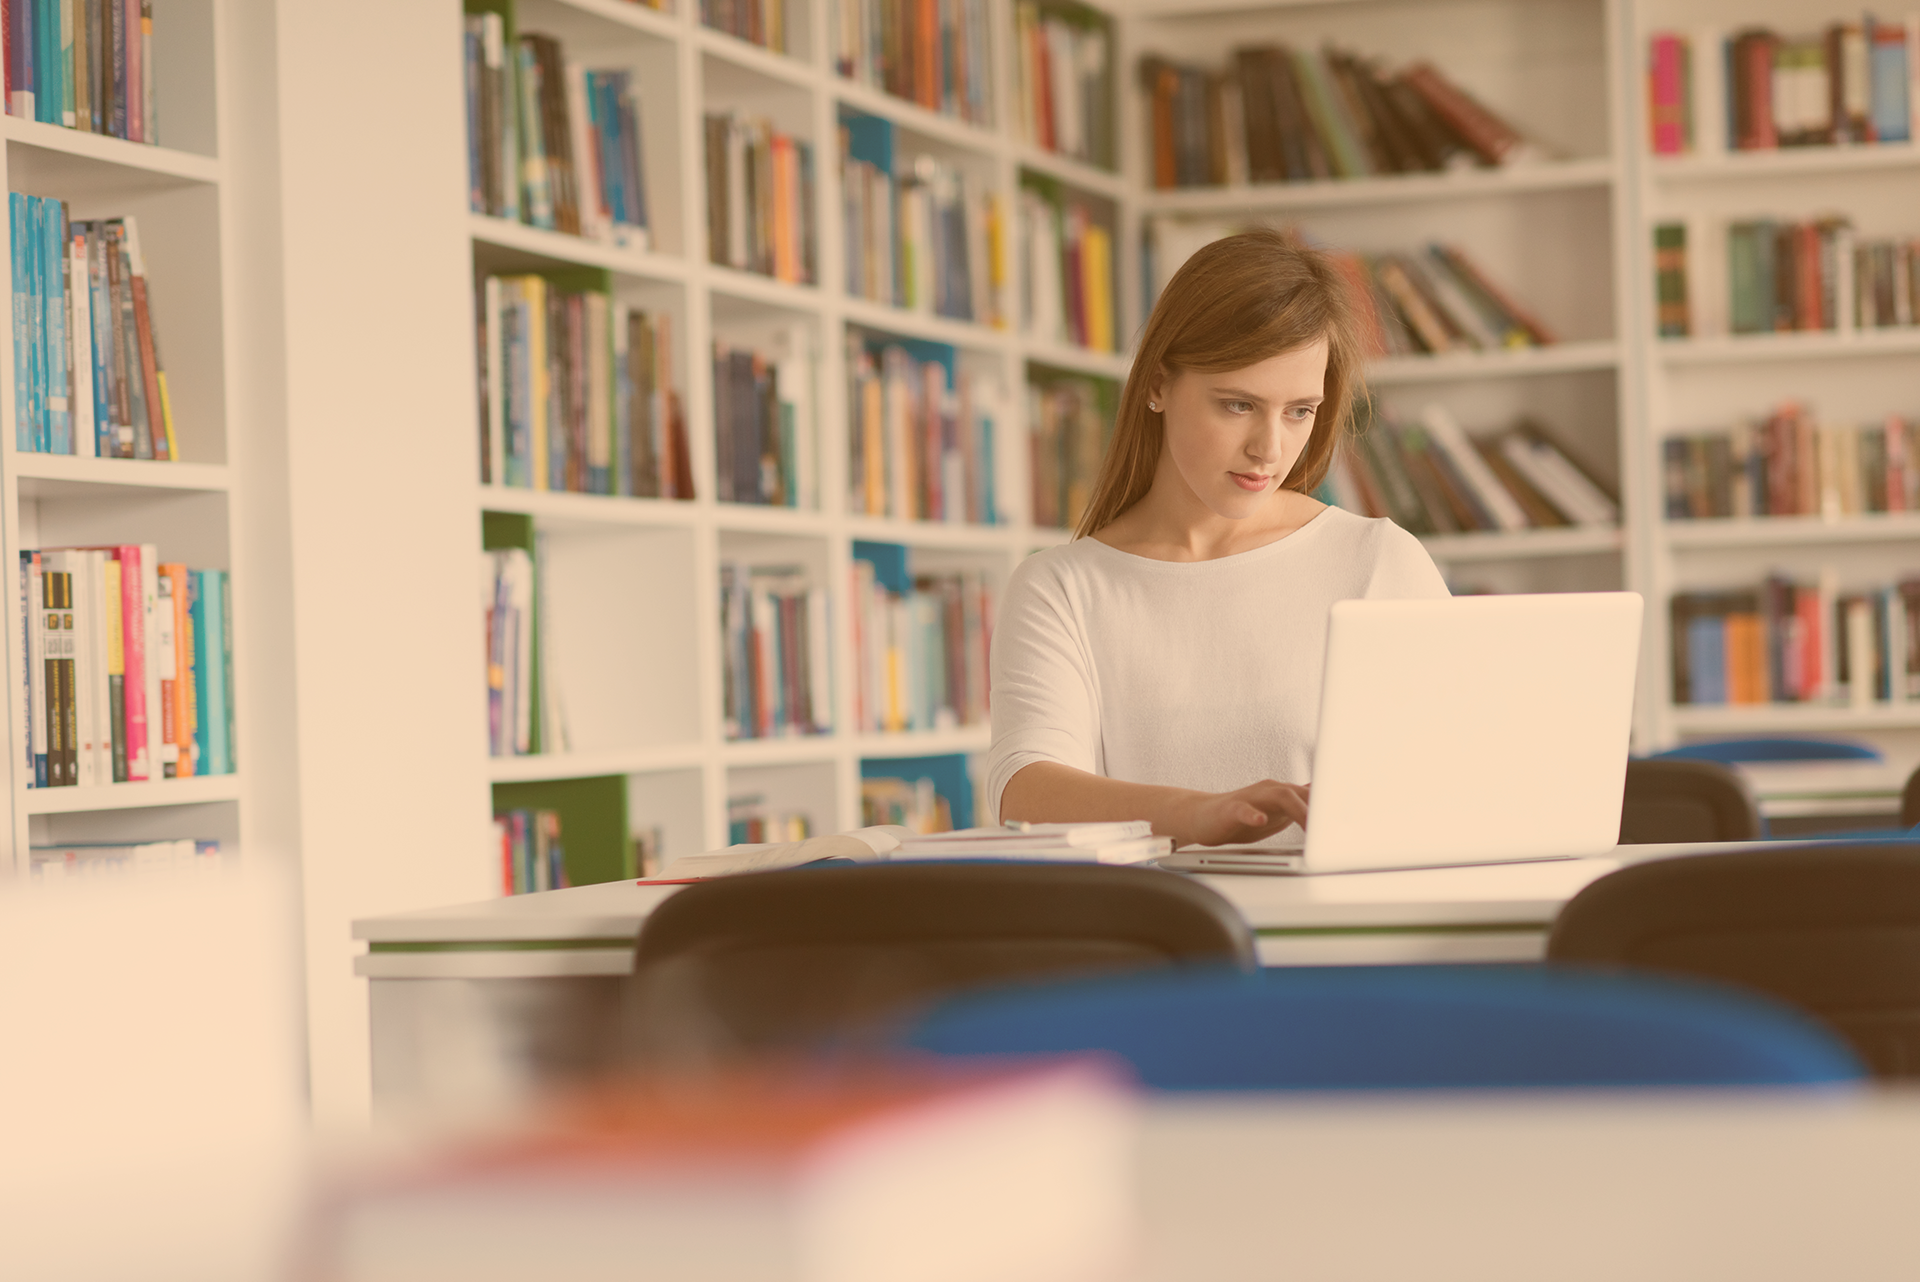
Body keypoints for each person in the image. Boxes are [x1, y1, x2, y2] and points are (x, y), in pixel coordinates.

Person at [988, 229, 1449, 849]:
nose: (1270, 448)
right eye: (1238, 405)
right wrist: (1197, 814)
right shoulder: (1062, 588)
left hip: (1337, 932)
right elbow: (1027, 793)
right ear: (1156, 384)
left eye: (1299, 411)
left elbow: (1452, 785)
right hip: (1161, 934)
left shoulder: (1376, 562)